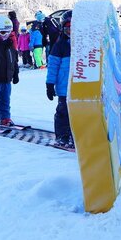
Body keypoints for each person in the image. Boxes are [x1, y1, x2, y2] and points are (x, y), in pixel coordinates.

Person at [46, 10, 73, 148]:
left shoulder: (83, 46)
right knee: (63, 112)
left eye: (73, 29)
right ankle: (62, 136)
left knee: (78, 113)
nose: (70, 31)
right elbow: (53, 66)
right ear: (63, 28)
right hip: (64, 87)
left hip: (79, 87)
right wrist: (50, 84)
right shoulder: (60, 45)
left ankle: (76, 136)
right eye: (68, 28)